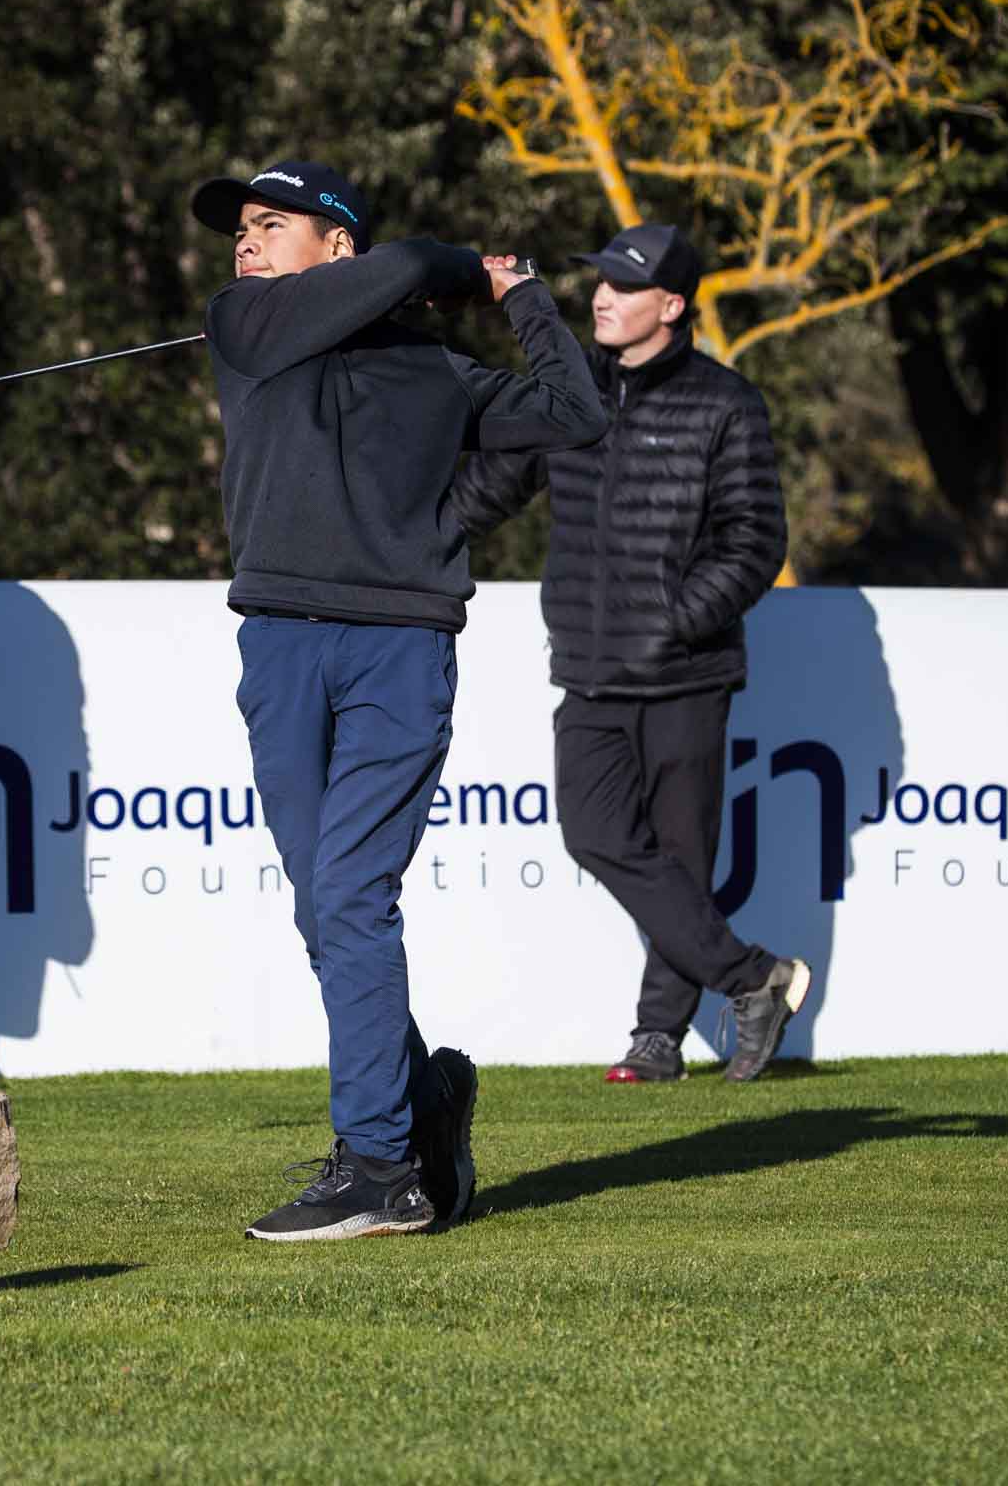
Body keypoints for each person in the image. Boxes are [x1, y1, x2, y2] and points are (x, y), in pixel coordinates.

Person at [191, 160, 609, 1241]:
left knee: (349, 895)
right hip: (280, 642)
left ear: (339, 244)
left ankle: (380, 1167)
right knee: (321, 907)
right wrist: (459, 266)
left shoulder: (436, 371)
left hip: (400, 650)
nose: (245, 241)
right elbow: (417, 263)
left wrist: (524, 299)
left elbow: (577, 413)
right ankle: (423, 1104)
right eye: (241, 227)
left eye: (270, 223)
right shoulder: (245, 322)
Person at [450, 222, 807, 1084]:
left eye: (623, 285)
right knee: (593, 833)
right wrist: (395, 536)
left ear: (672, 306)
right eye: (600, 281)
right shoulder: (568, 393)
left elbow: (756, 540)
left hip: (686, 672)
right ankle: (754, 977)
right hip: (590, 672)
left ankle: (657, 1039)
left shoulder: (727, 403)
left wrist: (676, 620)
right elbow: (488, 489)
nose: (602, 297)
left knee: (682, 860)